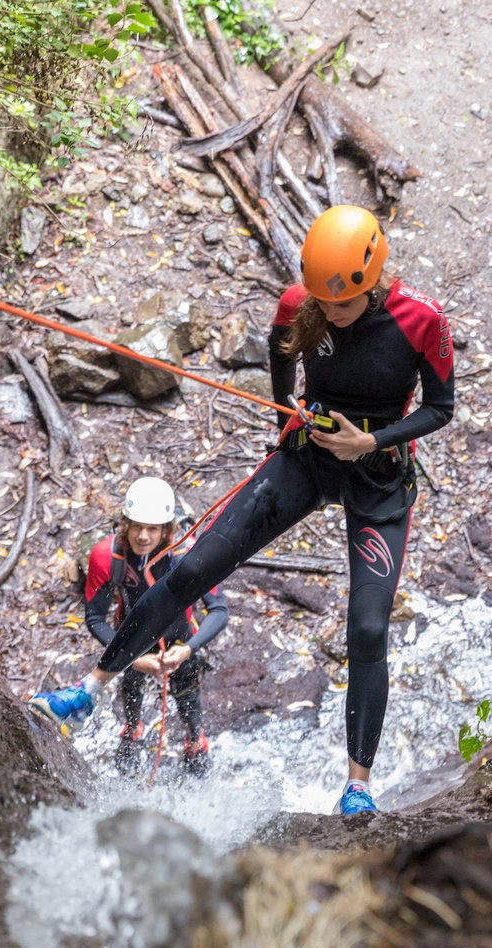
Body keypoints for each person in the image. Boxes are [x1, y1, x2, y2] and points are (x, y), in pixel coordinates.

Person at [29, 204, 455, 815]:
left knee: (367, 627)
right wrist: (286, 413)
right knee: (194, 570)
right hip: (307, 457)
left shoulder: (422, 321)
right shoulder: (300, 303)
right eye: (320, 301)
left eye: (340, 304)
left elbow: (441, 407)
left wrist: (370, 442)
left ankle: (358, 783)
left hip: (377, 476)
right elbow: (283, 354)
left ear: (374, 279)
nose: (327, 313)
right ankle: (90, 689)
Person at [32, 476, 229, 776]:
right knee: (131, 690)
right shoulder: (107, 556)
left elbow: (218, 610)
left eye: (153, 528)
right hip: (130, 642)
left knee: (188, 696)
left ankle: (194, 740)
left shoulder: (188, 553)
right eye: (136, 526)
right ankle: (132, 731)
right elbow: (95, 618)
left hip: (179, 641)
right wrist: (134, 659)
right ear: (125, 523)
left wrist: (188, 650)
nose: (143, 536)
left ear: (167, 529)